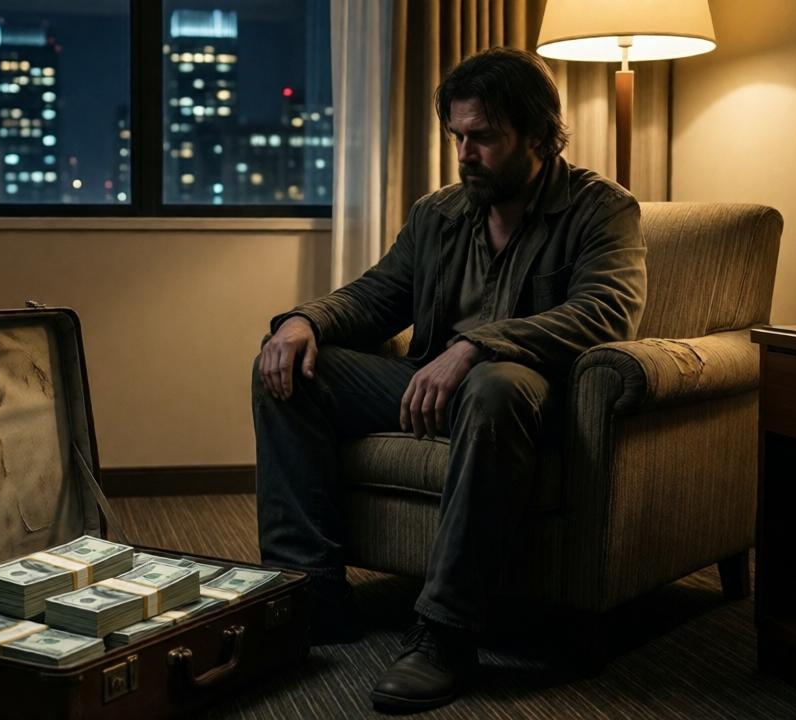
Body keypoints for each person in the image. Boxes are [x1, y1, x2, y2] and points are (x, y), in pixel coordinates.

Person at [252, 47, 646, 713]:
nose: (465, 154)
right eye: (457, 137)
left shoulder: (601, 210)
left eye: (483, 137)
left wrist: (475, 346)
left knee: (495, 385)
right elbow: (377, 295)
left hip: (527, 397)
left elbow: (605, 312)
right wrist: (303, 321)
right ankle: (310, 598)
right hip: (427, 388)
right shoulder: (438, 213)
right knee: (288, 365)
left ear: (539, 135)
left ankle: (446, 633)